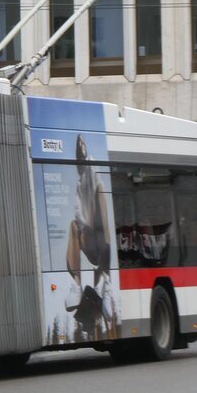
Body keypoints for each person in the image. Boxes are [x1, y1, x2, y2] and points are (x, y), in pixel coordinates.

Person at [64, 135, 116, 339]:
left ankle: (106, 280)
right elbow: (79, 213)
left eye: (83, 143)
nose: (82, 146)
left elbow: (96, 183)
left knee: (101, 189)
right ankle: (76, 284)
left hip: (102, 241)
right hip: (90, 240)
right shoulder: (79, 185)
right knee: (72, 224)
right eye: (79, 144)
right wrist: (84, 226)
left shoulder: (93, 170)